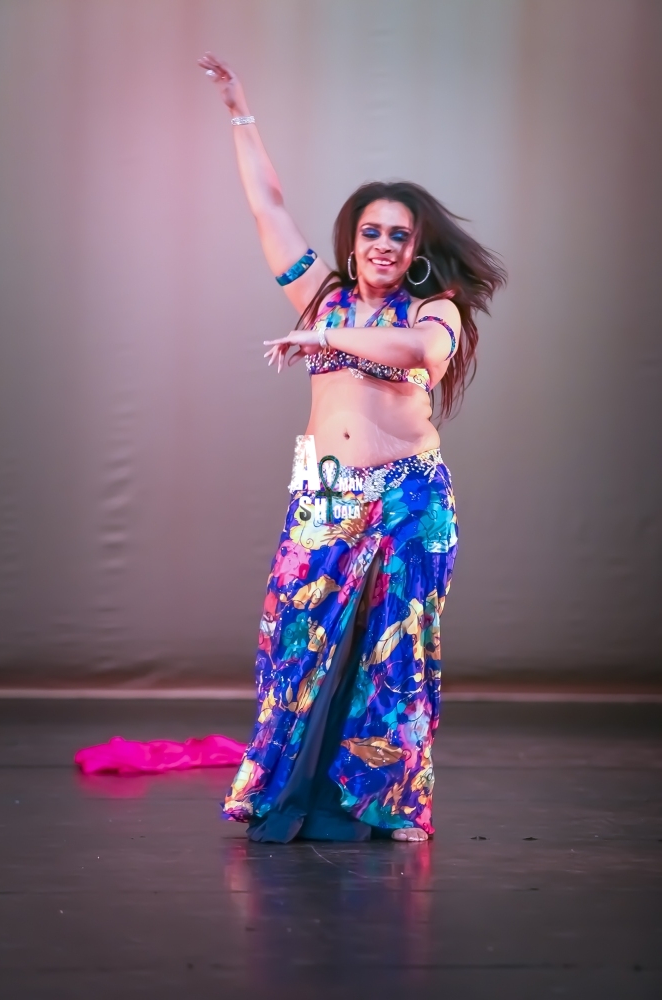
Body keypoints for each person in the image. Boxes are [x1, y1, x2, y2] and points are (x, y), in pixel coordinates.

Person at [198, 53, 505, 843]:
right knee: (292, 643)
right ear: (353, 239)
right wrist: (238, 111)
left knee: (397, 654)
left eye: (398, 235)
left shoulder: (434, 309)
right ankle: (274, 788)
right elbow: (267, 206)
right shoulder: (323, 294)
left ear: (417, 247)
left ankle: (393, 802)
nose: (382, 245)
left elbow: (421, 356)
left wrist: (320, 338)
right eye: (370, 232)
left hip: (409, 494)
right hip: (324, 489)